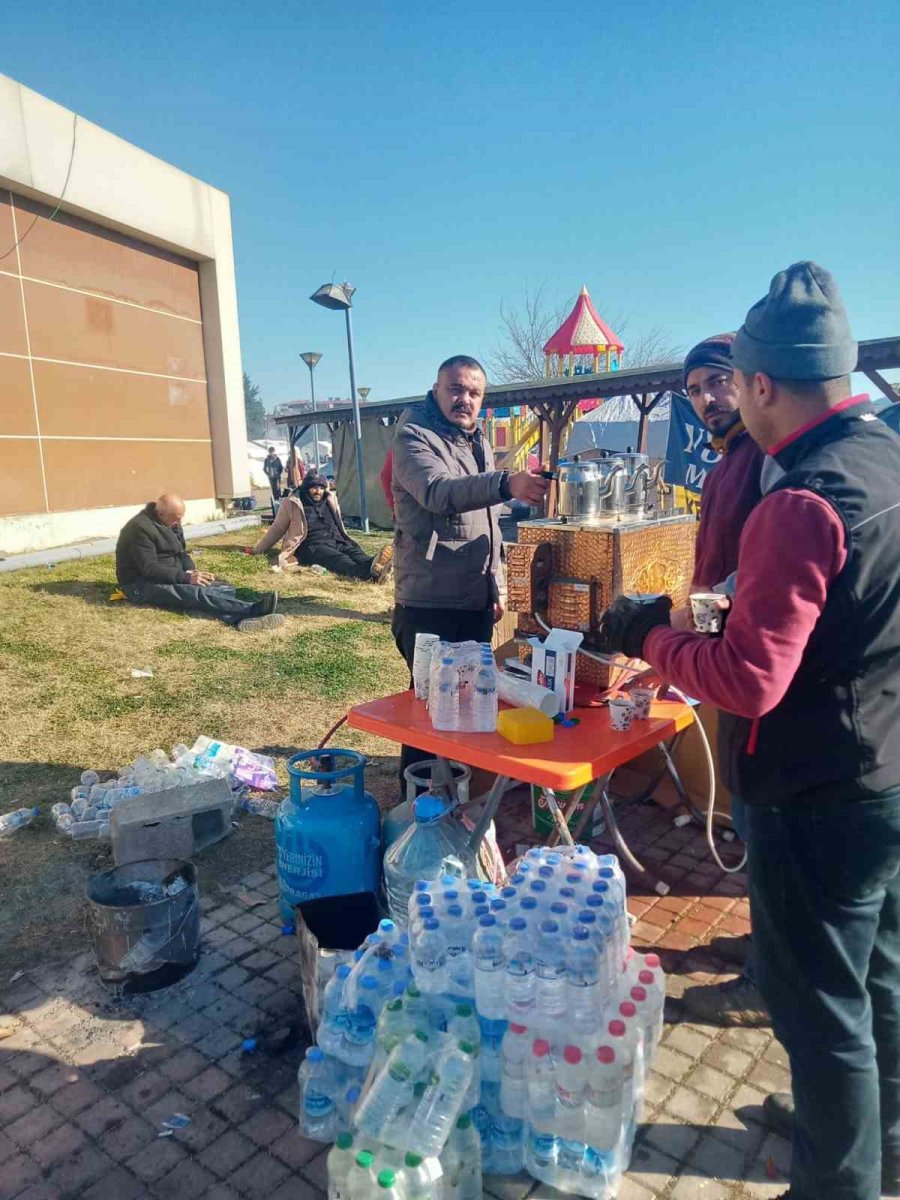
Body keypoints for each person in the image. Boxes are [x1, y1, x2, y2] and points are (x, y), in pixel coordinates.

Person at [599, 262, 900, 1200]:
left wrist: (645, 632)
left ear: (763, 383)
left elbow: (750, 679)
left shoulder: (801, 498)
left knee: (822, 1015)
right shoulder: (886, 456)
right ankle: (867, 1138)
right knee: (882, 981)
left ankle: (836, 1178)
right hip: (886, 763)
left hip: (819, 789)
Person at [674, 333, 775, 1028]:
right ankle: (765, 944)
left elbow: (761, 572)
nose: (709, 399)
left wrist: (685, 625)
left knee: (762, 822)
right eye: (696, 390)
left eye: (718, 383)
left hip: (756, 665)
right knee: (747, 816)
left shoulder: (766, 457)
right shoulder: (731, 457)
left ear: (750, 382)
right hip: (727, 657)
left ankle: (770, 981)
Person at [391, 354, 550, 775]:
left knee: (469, 702)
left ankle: (459, 797)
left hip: (473, 598)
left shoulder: (476, 440)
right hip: (429, 601)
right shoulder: (412, 436)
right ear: (437, 389)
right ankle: (417, 805)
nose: (465, 399)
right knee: (428, 712)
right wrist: (505, 482)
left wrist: (492, 584)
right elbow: (439, 492)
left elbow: (487, 523)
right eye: (457, 389)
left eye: (474, 393)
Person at [116, 494, 284, 630]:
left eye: (180, 519)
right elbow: (149, 568)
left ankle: (238, 619)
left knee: (218, 586)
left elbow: (181, 553)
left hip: (169, 573)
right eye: (176, 519)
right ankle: (252, 610)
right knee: (194, 593)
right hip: (139, 585)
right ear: (161, 514)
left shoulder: (171, 521)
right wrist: (185, 578)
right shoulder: (138, 529)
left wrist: (190, 571)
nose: (179, 523)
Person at [245, 473, 394, 581]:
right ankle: (369, 575)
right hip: (312, 546)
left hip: (337, 540)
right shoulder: (292, 503)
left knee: (355, 553)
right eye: (314, 488)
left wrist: (343, 539)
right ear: (306, 488)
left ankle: (376, 565)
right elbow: (277, 528)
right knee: (339, 560)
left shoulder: (330, 499)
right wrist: (257, 549)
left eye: (321, 488)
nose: (318, 492)